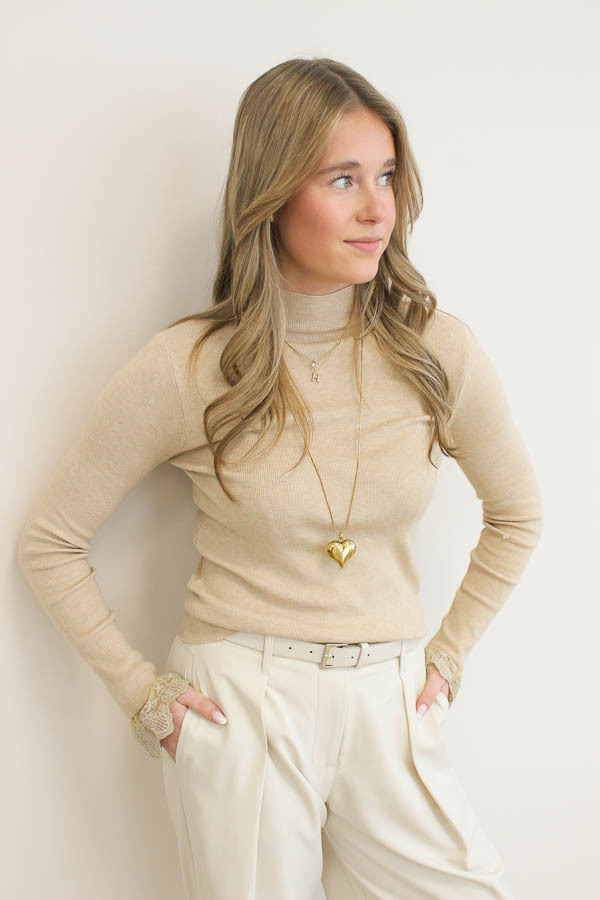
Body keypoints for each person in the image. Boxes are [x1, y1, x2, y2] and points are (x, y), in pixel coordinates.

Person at [16, 57, 543, 899]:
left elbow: (518, 514)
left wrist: (447, 658)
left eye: (387, 176)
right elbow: (49, 544)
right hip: (242, 703)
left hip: (391, 699)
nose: (377, 209)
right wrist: (143, 696)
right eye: (343, 179)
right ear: (272, 192)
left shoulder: (435, 350)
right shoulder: (190, 366)